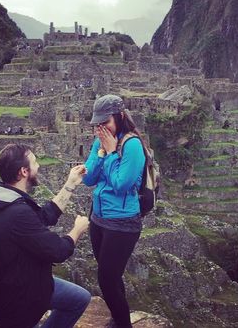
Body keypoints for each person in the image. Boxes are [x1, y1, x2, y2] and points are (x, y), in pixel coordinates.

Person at [0, 144, 91, 328]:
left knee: (80, 298)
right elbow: (58, 251)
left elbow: (44, 216)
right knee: (77, 301)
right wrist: (77, 229)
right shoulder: (17, 213)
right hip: (20, 298)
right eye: (35, 162)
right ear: (24, 172)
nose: (39, 166)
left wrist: (70, 184)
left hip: (21, 281)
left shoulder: (2, 199)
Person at [82, 95, 146, 328]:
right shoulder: (100, 143)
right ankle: (118, 319)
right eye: (98, 124)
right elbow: (89, 178)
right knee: (111, 275)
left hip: (122, 223)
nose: (101, 128)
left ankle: (122, 323)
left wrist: (110, 153)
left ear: (119, 116)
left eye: (105, 122)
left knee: (106, 279)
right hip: (98, 219)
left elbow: (121, 184)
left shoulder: (133, 145)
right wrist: (100, 152)